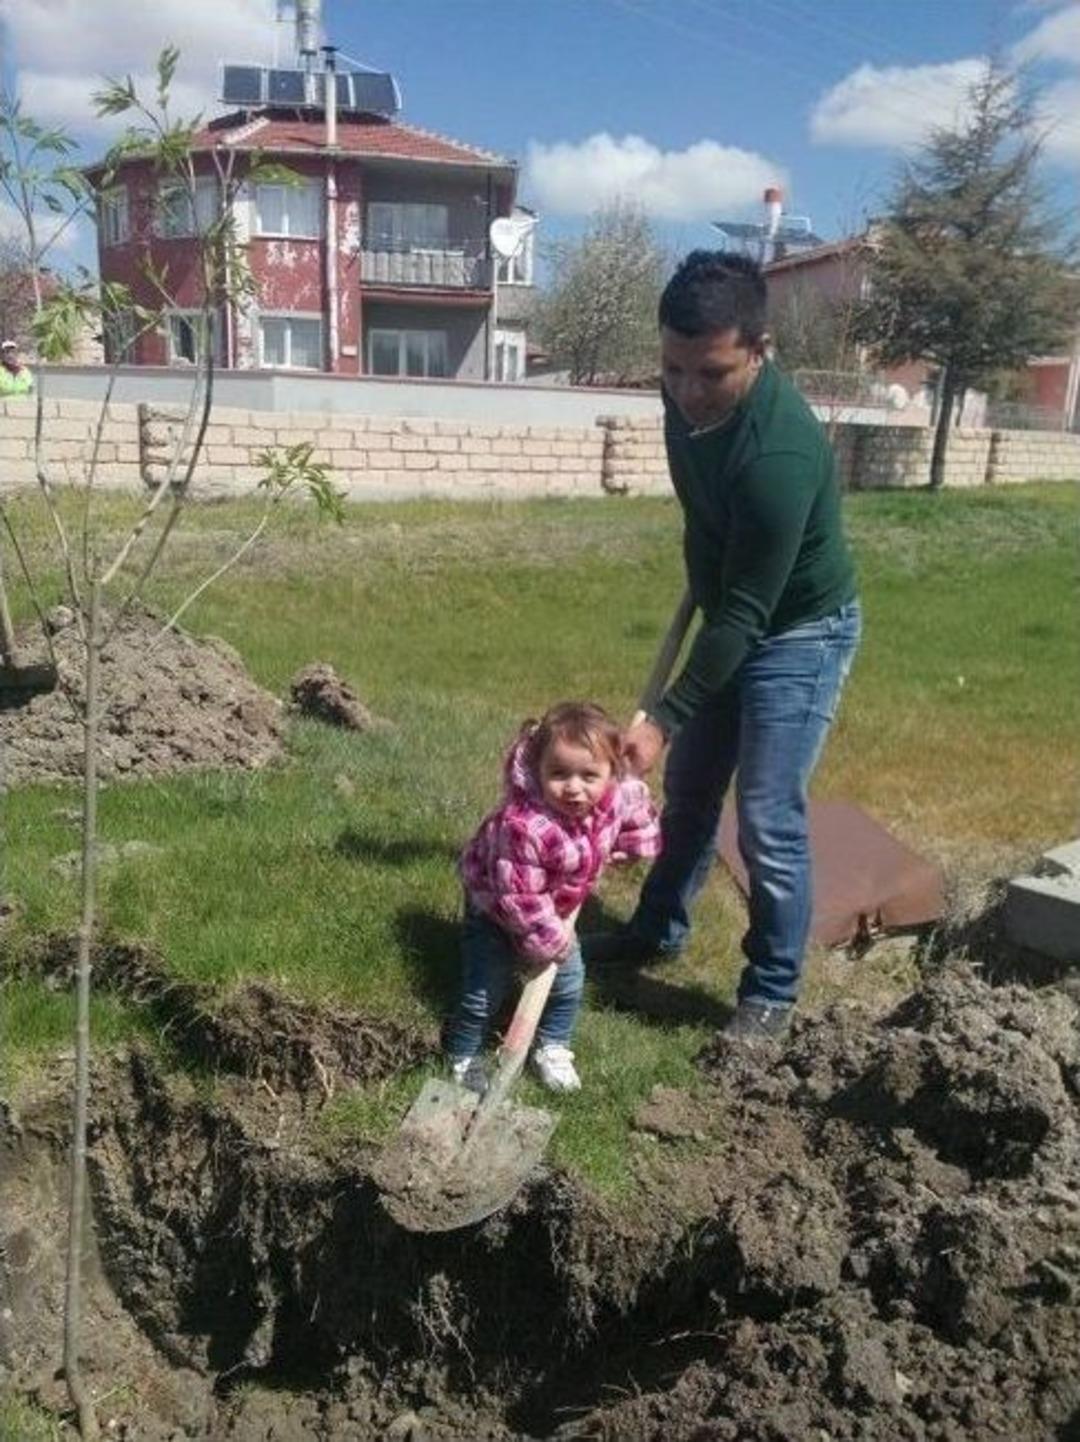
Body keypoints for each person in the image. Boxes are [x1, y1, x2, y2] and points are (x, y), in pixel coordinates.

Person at [589, 251, 860, 1045]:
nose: (688, 393)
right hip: (730, 607)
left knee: (768, 818)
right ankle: (655, 933)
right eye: (673, 370)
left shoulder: (782, 455)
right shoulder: (682, 401)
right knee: (692, 798)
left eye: (711, 374)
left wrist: (666, 714)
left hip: (799, 631)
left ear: (760, 351)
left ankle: (770, 994)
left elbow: (749, 612)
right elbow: (708, 533)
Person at [447, 701, 661, 1094]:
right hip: (496, 906)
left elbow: (637, 810)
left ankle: (552, 1046)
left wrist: (630, 847)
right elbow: (518, 895)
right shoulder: (524, 826)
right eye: (559, 774)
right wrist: (548, 942)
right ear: (537, 769)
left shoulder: (615, 794)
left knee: (569, 984)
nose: (574, 788)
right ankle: (464, 1050)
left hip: (556, 906)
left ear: (610, 772)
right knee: (485, 989)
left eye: (589, 775)